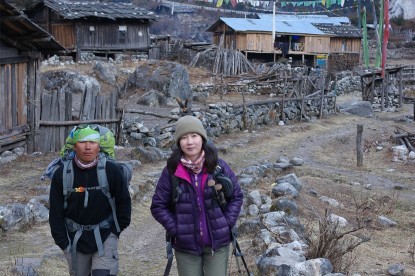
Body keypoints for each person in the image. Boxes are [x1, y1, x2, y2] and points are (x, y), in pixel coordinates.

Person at [151, 115, 244, 276]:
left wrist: (227, 222)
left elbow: (236, 196)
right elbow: (158, 206)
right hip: (186, 247)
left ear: (202, 138)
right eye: (184, 137)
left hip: (218, 245)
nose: (190, 142)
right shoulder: (172, 171)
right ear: (179, 142)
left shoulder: (218, 166)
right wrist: (176, 229)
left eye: (194, 136)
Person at [48, 125, 131, 276]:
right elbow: (55, 212)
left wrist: (115, 232)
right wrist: (64, 243)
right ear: (74, 146)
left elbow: (124, 203)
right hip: (74, 240)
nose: (88, 147)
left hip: (105, 236)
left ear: (99, 146)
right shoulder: (62, 174)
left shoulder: (112, 171)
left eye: (92, 142)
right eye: (82, 142)